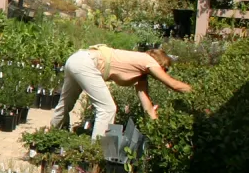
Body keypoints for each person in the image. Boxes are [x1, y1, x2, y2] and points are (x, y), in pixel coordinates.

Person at [50, 45, 192, 139]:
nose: (162, 72)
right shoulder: (149, 61)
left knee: (65, 104)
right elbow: (173, 84)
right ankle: (95, 152)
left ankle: (52, 137)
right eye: (164, 69)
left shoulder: (141, 73)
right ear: (161, 64)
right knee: (107, 109)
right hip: (87, 63)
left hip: (76, 59)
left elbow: (147, 107)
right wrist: (197, 92)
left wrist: (157, 131)